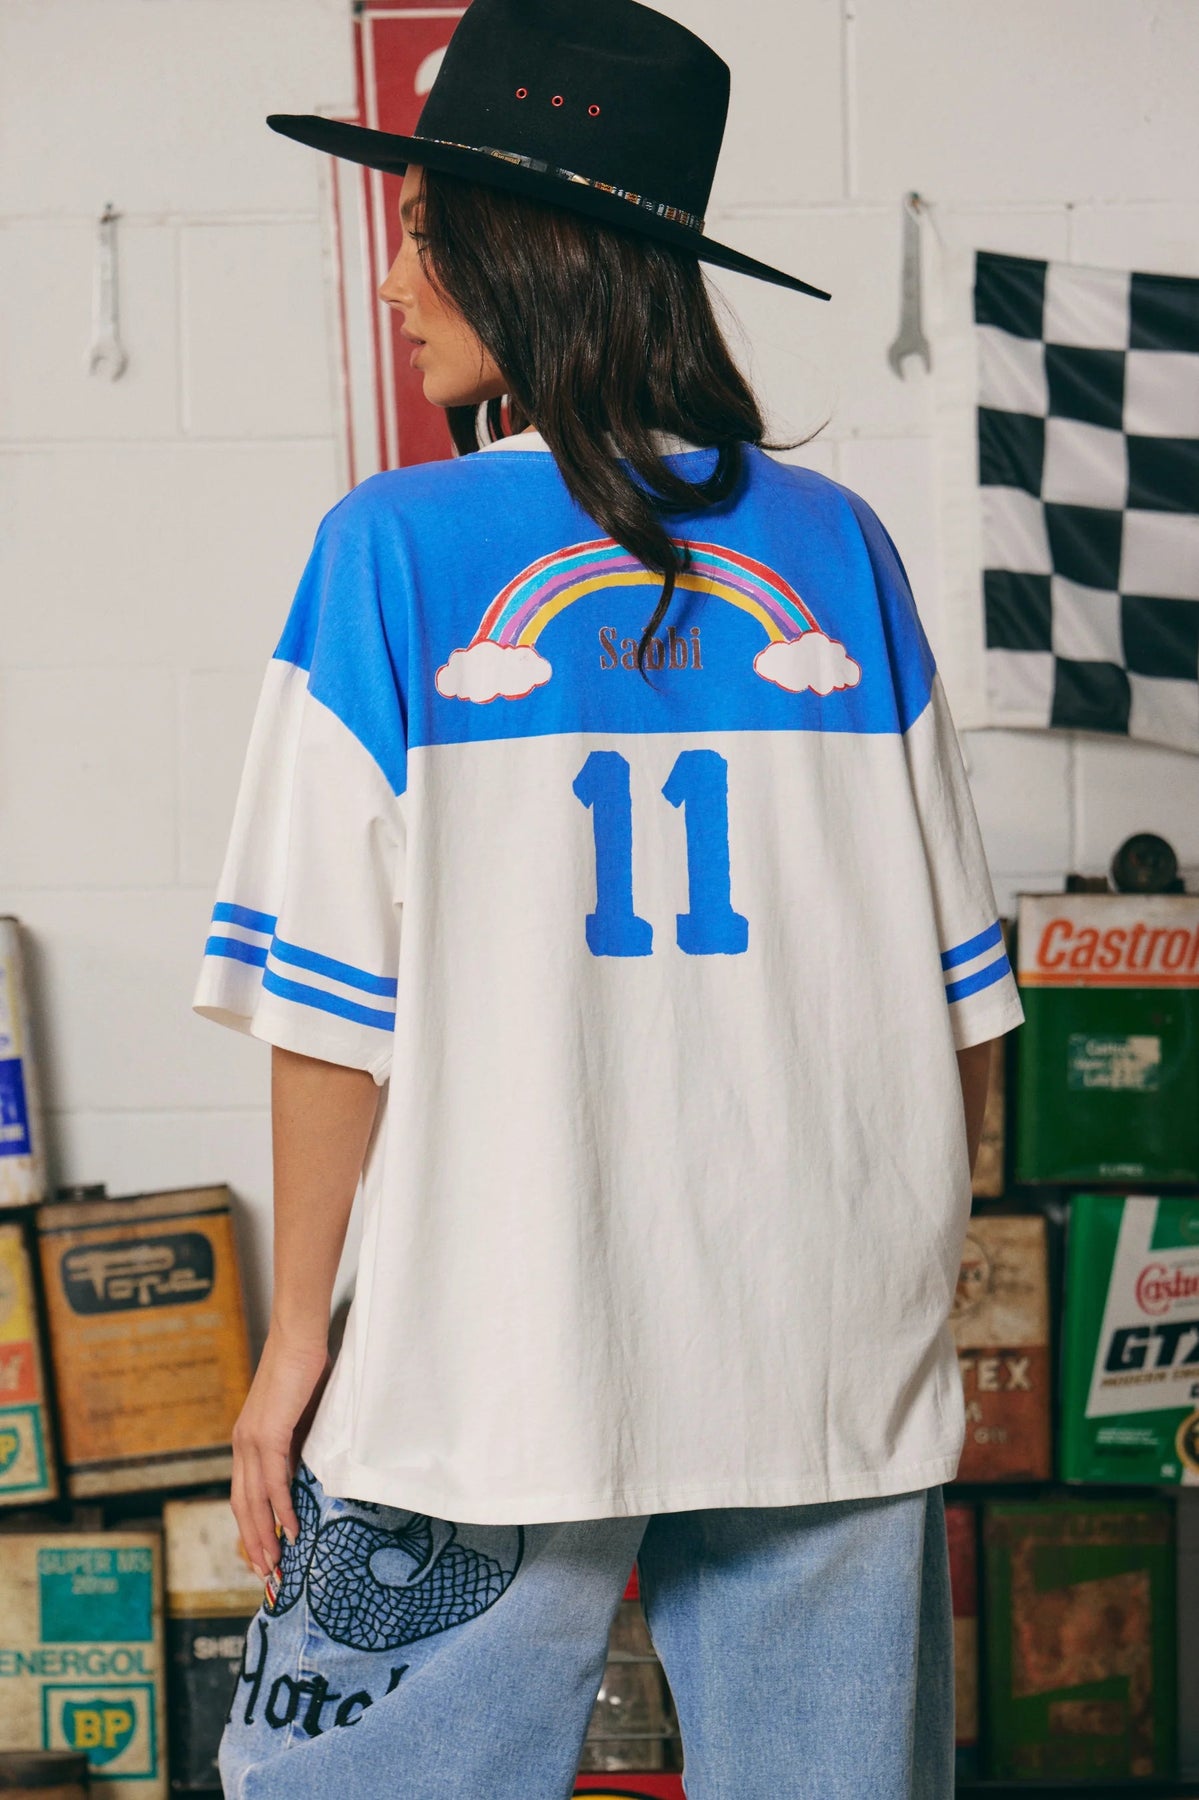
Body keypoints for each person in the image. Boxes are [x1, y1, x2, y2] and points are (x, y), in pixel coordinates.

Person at [193, 1, 1023, 1794]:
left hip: (495, 1348)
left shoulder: (391, 553)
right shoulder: (842, 550)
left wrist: (295, 1343)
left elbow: (328, 1015)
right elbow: (966, 1013)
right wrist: (888, 1277)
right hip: (820, 1353)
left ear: (526, 248)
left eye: (424, 232)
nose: (395, 279)